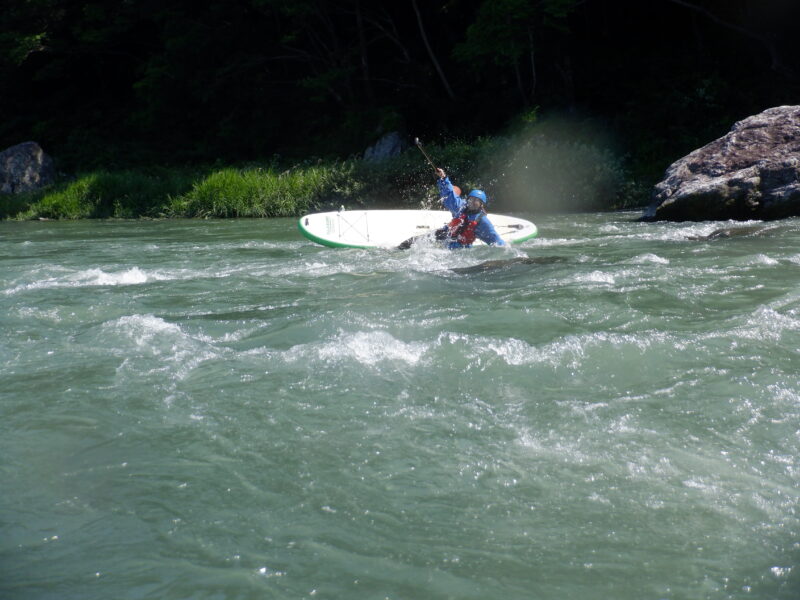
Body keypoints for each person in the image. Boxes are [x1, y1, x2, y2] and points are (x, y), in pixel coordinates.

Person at [434, 168, 505, 248]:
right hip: (445, 238)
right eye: (471, 199)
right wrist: (443, 177)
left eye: (477, 201)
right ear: (467, 200)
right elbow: (449, 194)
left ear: (481, 204)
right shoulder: (460, 206)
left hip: (459, 249)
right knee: (436, 235)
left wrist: (505, 248)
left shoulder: (482, 221)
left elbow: (495, 239)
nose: (473, 202)